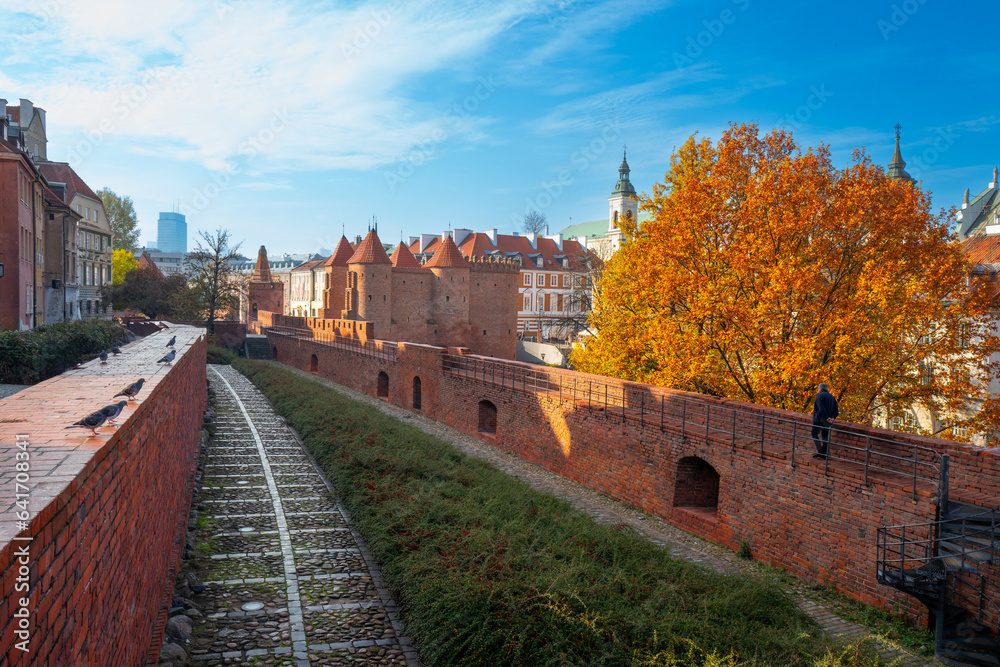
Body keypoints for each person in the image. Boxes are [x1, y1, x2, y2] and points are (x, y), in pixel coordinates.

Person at [811, 383, 839, 459]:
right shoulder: (832, 397)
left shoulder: (820, 395)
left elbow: (821, 409)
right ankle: (825, 454)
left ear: (820, 388)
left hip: (820, 419)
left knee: (814, 433)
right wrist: (832, 418)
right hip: (828, 422)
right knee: (825, 436)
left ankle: (820, 451)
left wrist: (826, 417)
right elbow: (836, 411)